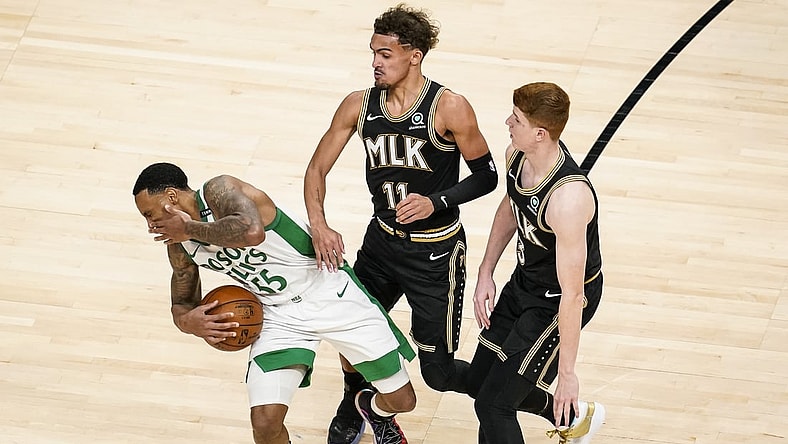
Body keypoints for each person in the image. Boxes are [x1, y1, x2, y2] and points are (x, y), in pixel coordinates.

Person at [303, 4, 498, 444]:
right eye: (374, 53)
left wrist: (437, 201)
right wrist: (319, 222)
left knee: (438, 372)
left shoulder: (449, 106)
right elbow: (316, 169)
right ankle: (356, 404)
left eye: (386, 55)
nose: (375, 62)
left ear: (415, 55)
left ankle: (524, 396)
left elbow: (487, 175)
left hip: (436, 252)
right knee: (352, 329)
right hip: (381, 244)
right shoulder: (359, 104)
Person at [132, 162, 418, 444]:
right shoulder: (178, 243)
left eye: (149, 213)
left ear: (171, 196)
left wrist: (191, 229)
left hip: (328, 291)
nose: (150, 224)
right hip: (277, 314)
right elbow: (182, 300)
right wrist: (187, 322)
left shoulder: (219, 190)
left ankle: (373, 410)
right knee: (265, 424)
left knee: (403, 400)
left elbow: (251, 231)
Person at [465, 82, 606, 444]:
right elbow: (512, 207)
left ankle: (570, 408)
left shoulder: (568, 199)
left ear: (540, 134)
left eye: (516, 119)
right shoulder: (517, 154)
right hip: (525, 282)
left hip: (557, 302)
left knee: (494, 405)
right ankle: (577, 419)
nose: (507, 123)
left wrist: (568, 373)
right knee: (481, 384)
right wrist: (485, 272)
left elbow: (574, 296)